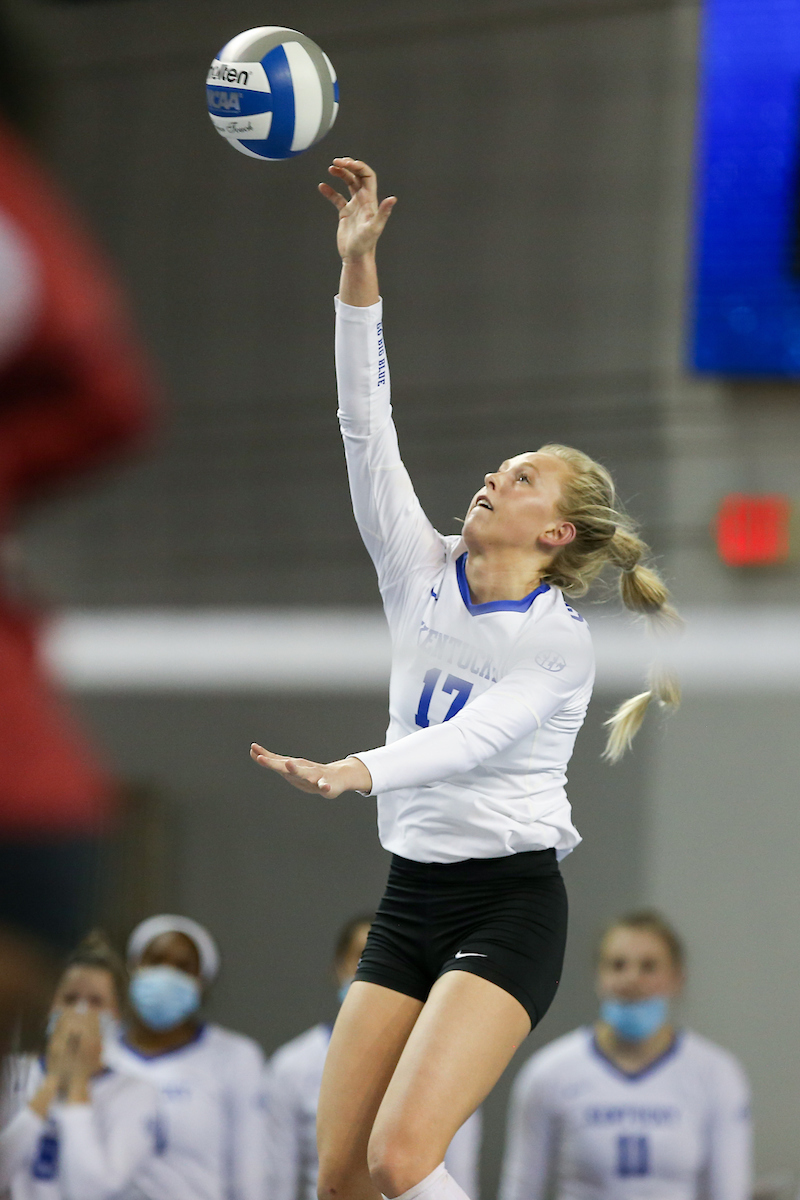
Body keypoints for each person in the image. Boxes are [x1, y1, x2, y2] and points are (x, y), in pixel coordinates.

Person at [250, 158, 680, 1200]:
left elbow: (470, 741)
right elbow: (365, 426)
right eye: (505, 463)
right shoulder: (420, 566)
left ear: (554, 530)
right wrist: (359, 275)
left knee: (403, 1158)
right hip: (407, 899)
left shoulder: (553, 643)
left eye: (523, 475)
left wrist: (358, 768)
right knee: (340, 1179)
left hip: (507, 908)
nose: (497, 471)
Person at [499, 910, 752, 1200]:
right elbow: (520, 1188)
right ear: (598, 976)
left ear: (677, 978)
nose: (632, 978)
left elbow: (730, 1191)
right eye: (617, 965)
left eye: (649, 966)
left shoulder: (717, 1073)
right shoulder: (548, 1072)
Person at [267, 915, 482, 1200]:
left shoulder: (447, 1066)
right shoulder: (293, 1065)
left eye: (396, 958)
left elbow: (460, 1175)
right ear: (338, 965)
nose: (381, 971)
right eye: (364, 956)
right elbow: (277, 1182)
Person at [107, 914, 268, 1200]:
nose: (167, 974)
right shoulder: (100, 1054)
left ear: (202, 980)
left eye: (183, 966)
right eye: (155, 960)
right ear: (132, 967)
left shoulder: (236, 1057)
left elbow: (251, 1176)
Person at [0, 930, 162, 1199]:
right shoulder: (17, 1073)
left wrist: (76, 1087)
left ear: (118, 1015)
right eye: (70, 999)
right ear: (50, 1007)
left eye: (96, 1002)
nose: (81, 1012)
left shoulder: (136, 1093)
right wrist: (51, 1085)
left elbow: (94, 1189)